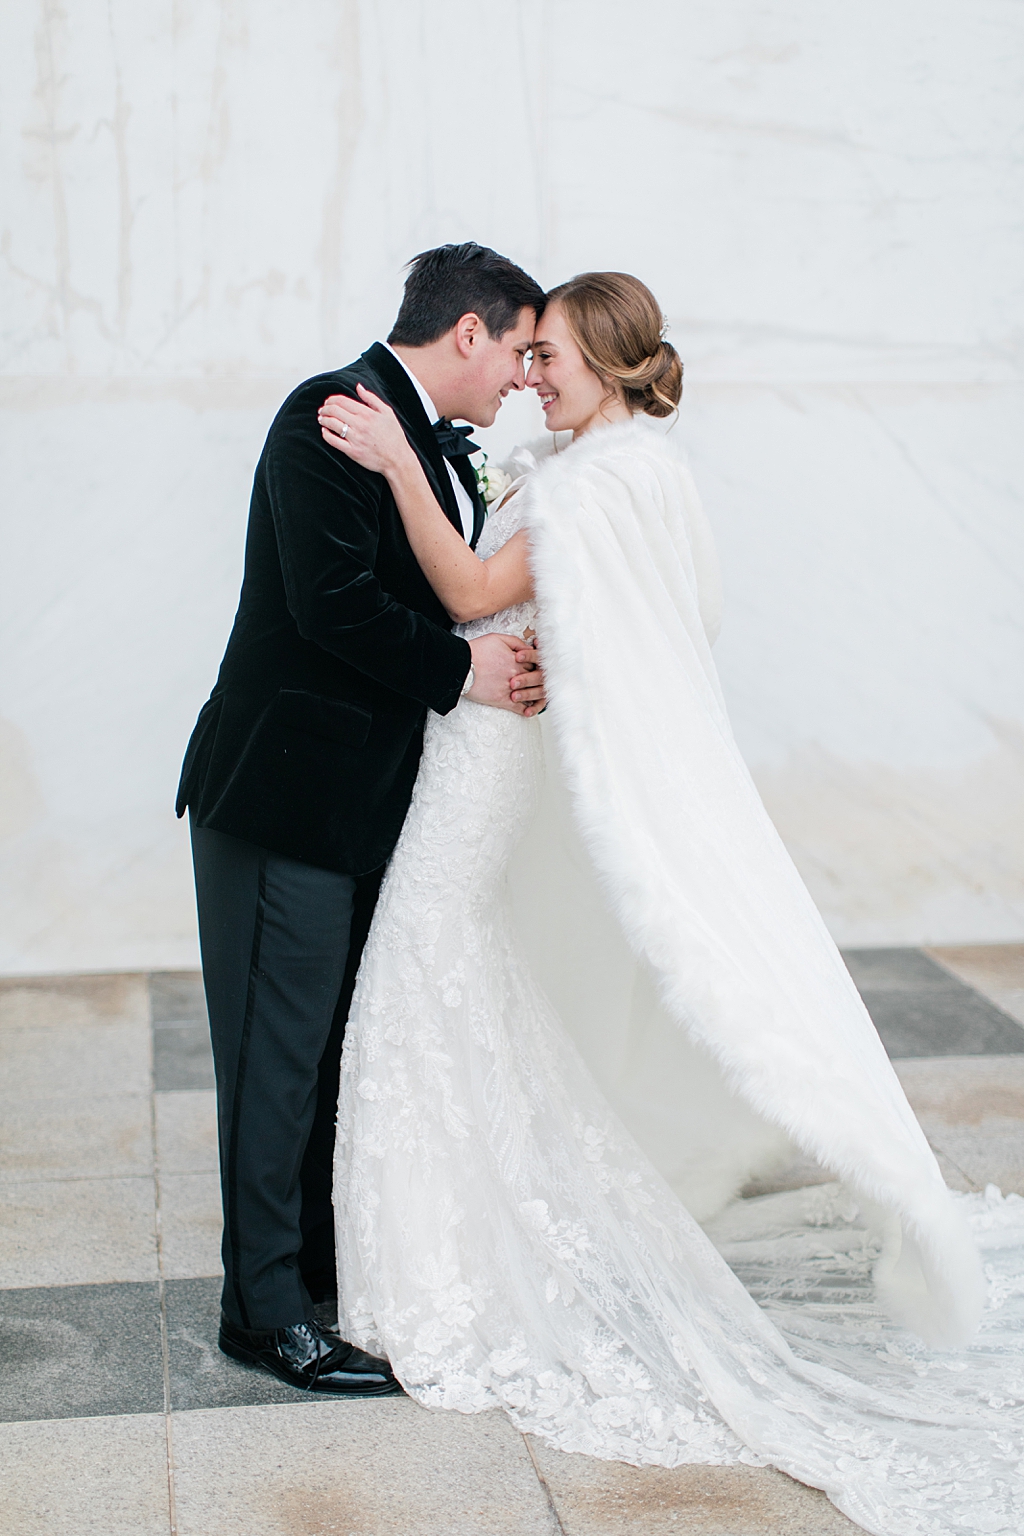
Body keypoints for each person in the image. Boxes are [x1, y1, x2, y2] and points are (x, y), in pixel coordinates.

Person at [317, 271, 1024, 1533]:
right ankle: (450, 1247)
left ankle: (438, 1270)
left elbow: (478, 599)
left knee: (424, 961)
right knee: (443, 975)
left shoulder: (595, 486)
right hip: (478, 742)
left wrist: (393, 466)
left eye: (550, 359)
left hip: (485, 759)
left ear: (606, 361)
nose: (530, 376)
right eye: (524, 356)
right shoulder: (608, 466)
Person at [175, 243, 549, 1394]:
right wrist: (465, 670)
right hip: (283, 795)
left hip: (357, 806)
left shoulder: (428, 440)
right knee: (273, 1060)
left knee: (329, 1048)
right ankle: (264, 1314)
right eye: (518, 349)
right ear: (469, 331)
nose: (524, 381)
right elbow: (328, 604)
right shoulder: (328, 414)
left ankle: (311, 1270)